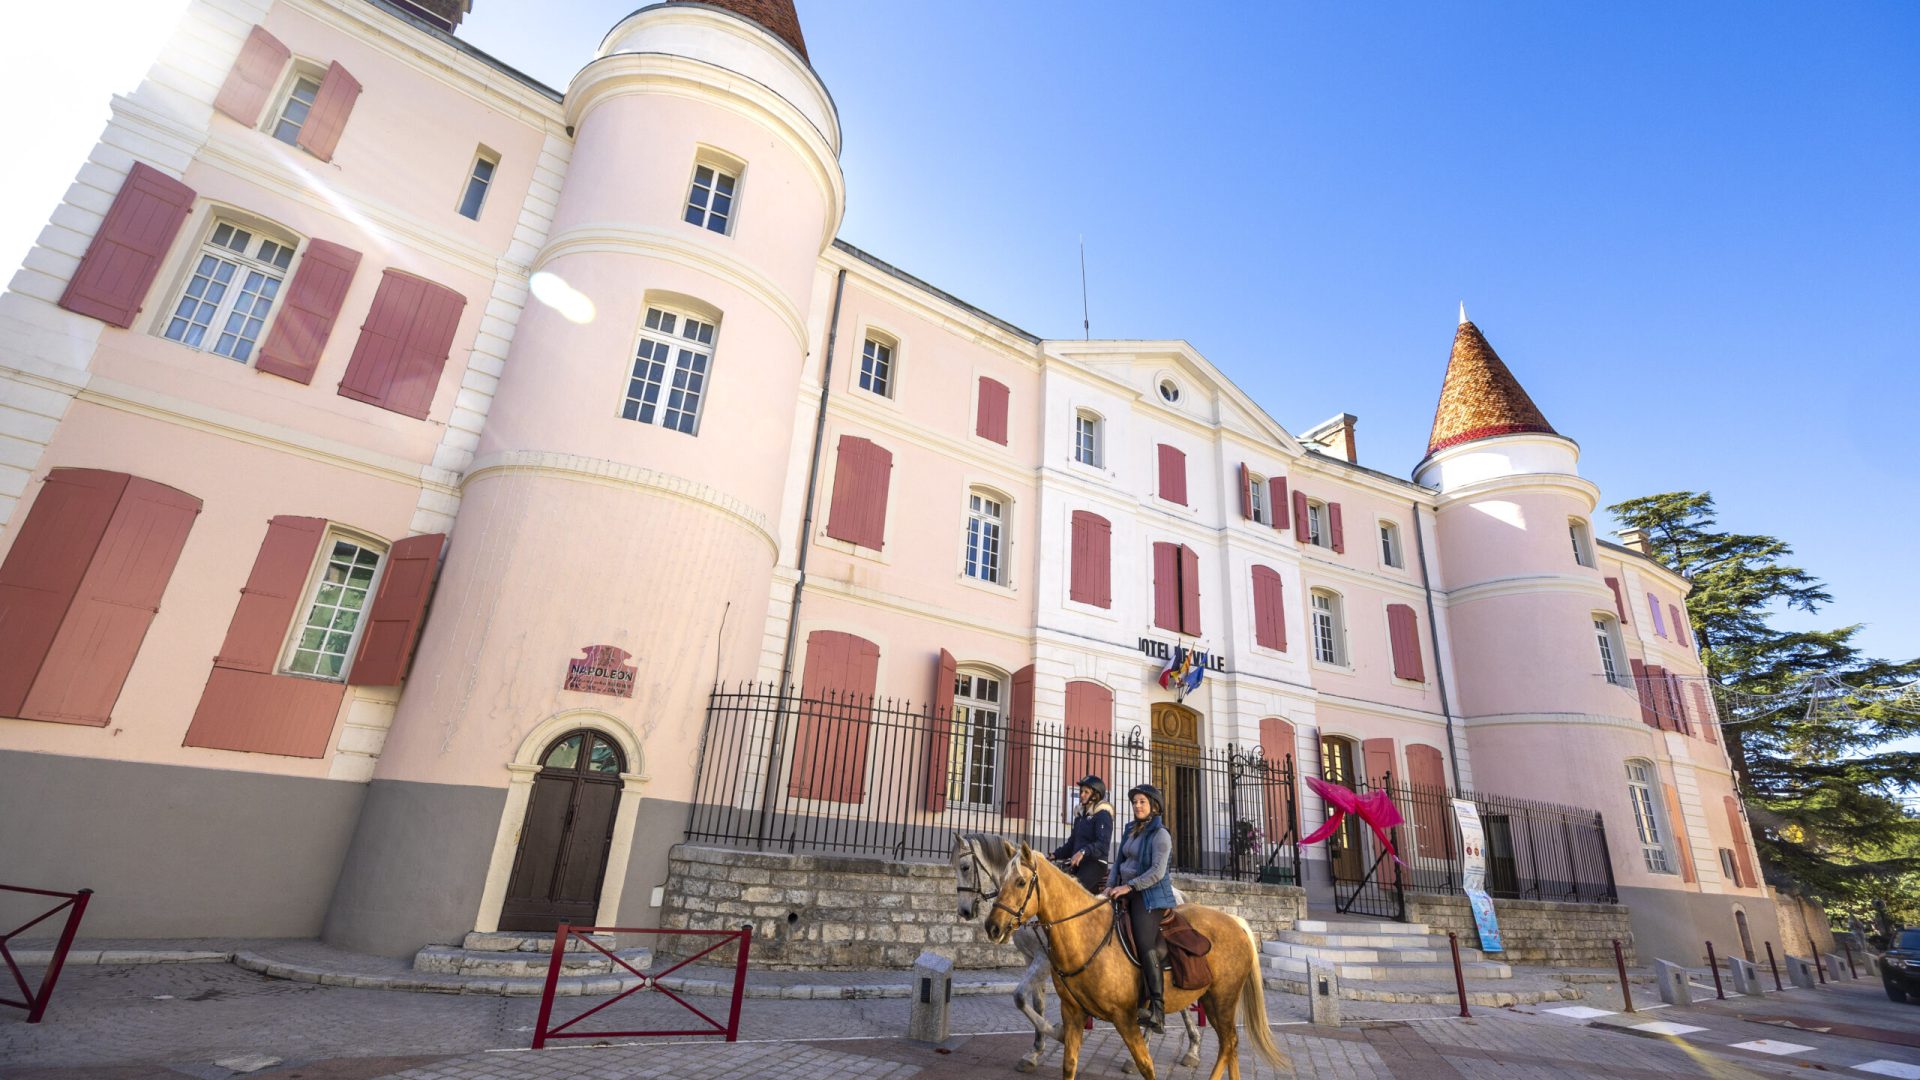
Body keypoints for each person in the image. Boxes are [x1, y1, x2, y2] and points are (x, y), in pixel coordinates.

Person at [1107, 783, 1173, 1034]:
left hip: (1150, 897)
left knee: (1145, 943)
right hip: (1125, 890)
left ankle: (1157, 1008)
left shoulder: (1161, 835)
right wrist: (1111, 885)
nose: (1137, 805)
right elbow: (1119, 862)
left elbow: (1157, 872)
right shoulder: (1131, 830)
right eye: (1135, 802)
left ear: (1154, 806)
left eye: (1142, 801)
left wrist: (1130, 886)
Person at [1051, 775, 1113, 895]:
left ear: (1095, 795)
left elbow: (1102, 845)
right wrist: (1054, 855)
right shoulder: (1081, 816)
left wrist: (1083, 851)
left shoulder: (1102, 814)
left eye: (1086, 792)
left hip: (1096, 864)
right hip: (1078, 863)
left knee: (1072, 892)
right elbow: (1072, 843)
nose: (1082, 795)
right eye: (1081, 791)